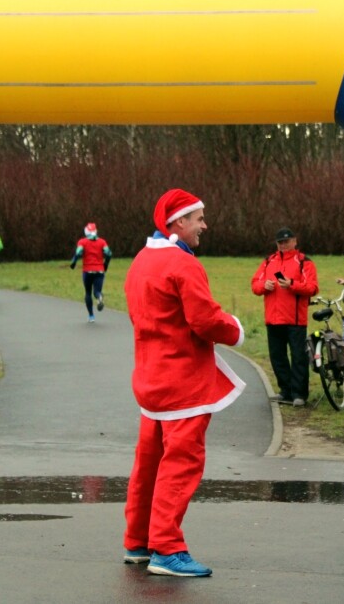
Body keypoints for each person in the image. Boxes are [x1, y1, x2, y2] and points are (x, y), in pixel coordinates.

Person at [122, 188, 244, 577]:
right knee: (180, 465)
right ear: (178, 222)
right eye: (199, 218)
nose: (204, 225)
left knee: (148, 466)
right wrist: (236, 329)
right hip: (183, 386)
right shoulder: (183, 264)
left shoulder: (141, 261)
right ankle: (167, 549)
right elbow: (205, 320)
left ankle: (138, 542)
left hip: (149, 381)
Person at [251, 227, 319, 407]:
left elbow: (312, 287)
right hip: (273, 319)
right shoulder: (268, 261)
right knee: (277, 357)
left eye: (286, 241)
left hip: (295, 319)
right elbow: (255, 285)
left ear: (295, 241)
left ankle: (299, 394)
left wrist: (292, 285)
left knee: (298, 357)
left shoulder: (304, 262)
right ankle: (286, 390)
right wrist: (264, 286)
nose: (283, 245)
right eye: (280, 242)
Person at [70, 222, 112, 323]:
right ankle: (99, 297)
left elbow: (78, 252)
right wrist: (105, 265)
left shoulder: (82, 242)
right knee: (97, 291)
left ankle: (91, 316)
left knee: (88, 292)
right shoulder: (102, 242)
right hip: (99, 271)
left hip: (87, 271)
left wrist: (74, 262)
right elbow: (108, 253)